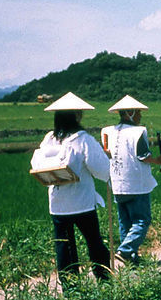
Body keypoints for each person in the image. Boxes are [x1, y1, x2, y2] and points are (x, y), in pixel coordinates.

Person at [33, 91, 111, 283]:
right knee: (94, 242)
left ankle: (70, 288)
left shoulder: (50, 138)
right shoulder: (83, 139)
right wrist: (106, 158)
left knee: (64, 246)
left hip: (58, 204)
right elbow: (102, 170)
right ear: (77, 115)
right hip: (82, 202)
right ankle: (104, 279)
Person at [100, 94, 161, 266]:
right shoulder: (138, 132)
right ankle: (126, 250)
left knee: (126, 222)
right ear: (129, 113)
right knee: (142, 220)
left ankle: (131, 259)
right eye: (138, 112)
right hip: (136, 184)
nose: (140, 116)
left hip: (117, 183)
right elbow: (143, 156)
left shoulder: (109, 131)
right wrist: (158, 161)